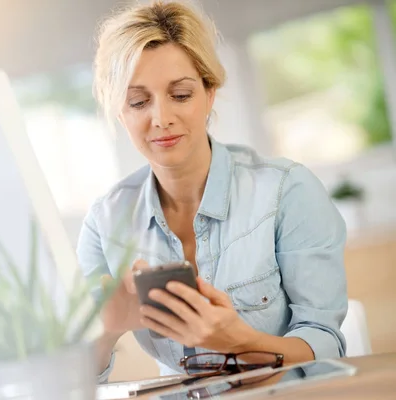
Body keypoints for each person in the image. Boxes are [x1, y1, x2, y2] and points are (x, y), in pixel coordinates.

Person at [76, 0, 348, 383]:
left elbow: (326, 344)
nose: (161, 118)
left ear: (209, 93)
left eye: (181, 94)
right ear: (121, 113)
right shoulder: (105, 223)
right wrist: (106, 330)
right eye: (138, 102)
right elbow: (71, 383)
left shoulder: (287, 191)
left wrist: (242, 341)